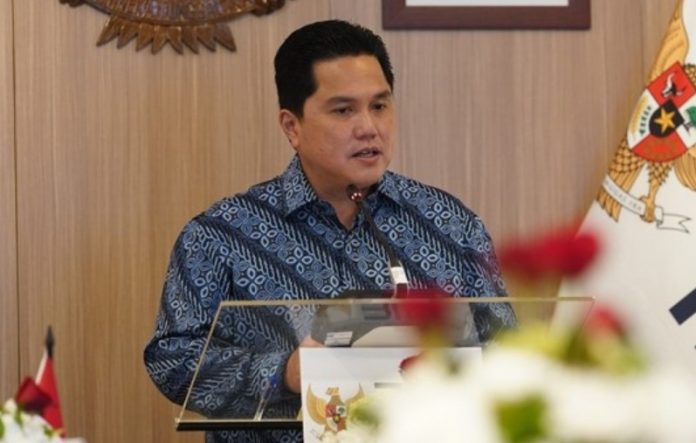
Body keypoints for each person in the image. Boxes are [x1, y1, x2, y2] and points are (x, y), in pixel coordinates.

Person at [144, 19, 515, 443]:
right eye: (344, 110)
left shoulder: (449, 224)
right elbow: (172, 361)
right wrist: (285, 372)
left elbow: (511, 352)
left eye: (379, 106)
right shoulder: (220, 236)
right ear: (292, 126)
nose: (369, 127)